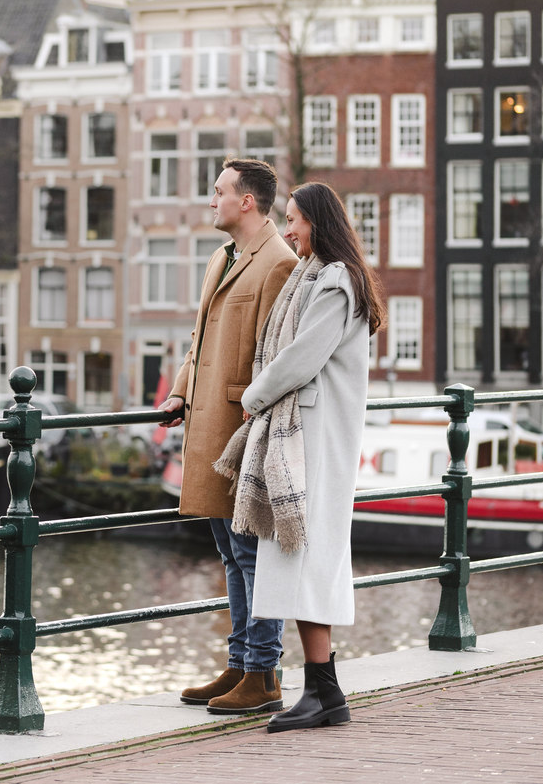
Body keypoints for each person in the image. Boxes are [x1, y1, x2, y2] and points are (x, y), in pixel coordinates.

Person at [214, 181, 385, 732]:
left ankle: (325, 694)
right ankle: (322, 691)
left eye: (295, 221)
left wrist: (253, 396)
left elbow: (300, 357)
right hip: (308, 436)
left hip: (314, 440)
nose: (288, 231)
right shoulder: (322, 278)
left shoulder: (335, 284)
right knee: (304, 559)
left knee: (308, 557)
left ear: (319, 222)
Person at [159, 158, 300, 714]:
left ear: (247, 201)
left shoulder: (279, 264)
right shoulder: (222, 258)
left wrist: (252, 409)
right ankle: (240, 663)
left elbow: (278, 356)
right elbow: (200, 338)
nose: (210, 200)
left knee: (249, 550)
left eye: (218, 192)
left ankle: (263, 674)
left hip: (242, 428)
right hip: (207, 423)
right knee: (228, 549)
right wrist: (178, 391)